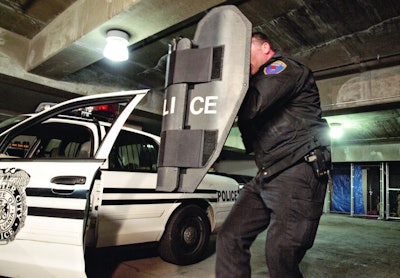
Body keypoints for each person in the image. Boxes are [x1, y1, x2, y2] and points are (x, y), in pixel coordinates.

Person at [215, 31, 331, 278]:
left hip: (296, 167)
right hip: (268, 173)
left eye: (247, 53)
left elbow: (252, 105)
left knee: (280, 255)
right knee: (229, 236)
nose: (243, 61)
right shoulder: (256, 82)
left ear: (265, 48)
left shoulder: (283, 68)